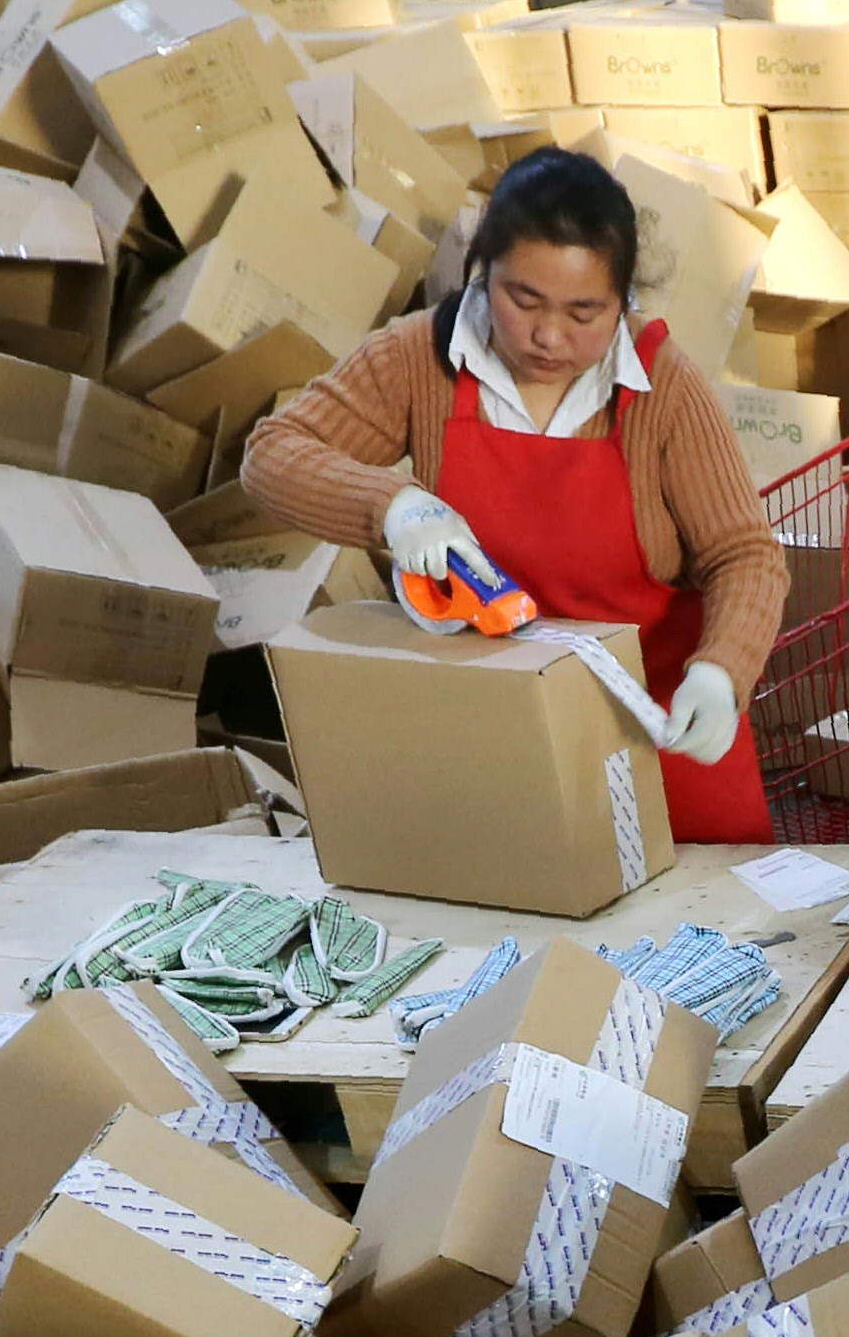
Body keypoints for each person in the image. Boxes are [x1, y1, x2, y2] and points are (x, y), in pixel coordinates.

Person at [246, 147, 778, 843]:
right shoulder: (418, 359)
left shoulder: (664, 391)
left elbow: (745, 555)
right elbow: (271, 457)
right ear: (481, 272)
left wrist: (720, 672)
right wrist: (395, 506)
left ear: (624, 300)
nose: (548, 335)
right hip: (499, 741)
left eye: (585, 312)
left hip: (659, 738)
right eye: (521, 299)